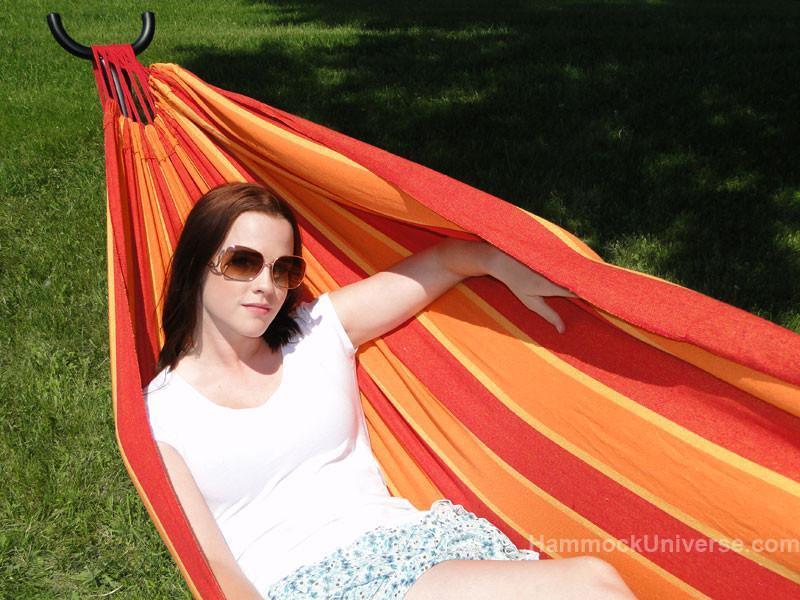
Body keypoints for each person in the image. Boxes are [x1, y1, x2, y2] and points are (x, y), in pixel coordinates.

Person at [144, 182, 637, 599]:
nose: (266, 285)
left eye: (283, 270)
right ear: (196, 262)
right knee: (592, 585)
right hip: (310, 584)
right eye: (243, 262)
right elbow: (211, 562)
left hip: (416, 547)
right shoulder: (161, 414)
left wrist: (493, 259)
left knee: (597, 583)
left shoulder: (313, 333)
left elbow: (445, 262)